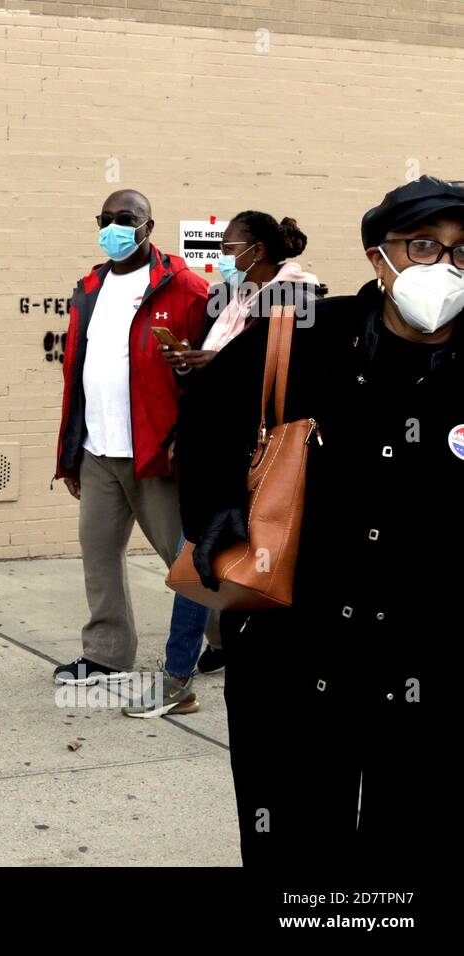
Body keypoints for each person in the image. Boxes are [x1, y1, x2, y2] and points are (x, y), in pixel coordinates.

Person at [175, 175, 461, 866]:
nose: (446, 267)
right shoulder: (301, 334)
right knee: (295, 841)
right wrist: (216, 505)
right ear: (378, 256)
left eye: (463, 251)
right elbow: (207, 419)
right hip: (294, 650)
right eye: (423, 245)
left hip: (430, 653)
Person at [52, 189, 211, 716]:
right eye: (106, 219)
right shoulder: (90, 287)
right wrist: (71, 451)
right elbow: (77, 371)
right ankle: (106, 654)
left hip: (157, 450)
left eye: (126, 218)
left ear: (148, 225)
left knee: (185, 560)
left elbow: (217, 365)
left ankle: (227, 636)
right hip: (98, 448)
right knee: (98, 551)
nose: (114, 227)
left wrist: (190, 432)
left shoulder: (185, 287)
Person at [156, 211, 324, 680]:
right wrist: (191, 363)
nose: (223, 258)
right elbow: (215, 381)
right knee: (209, 558)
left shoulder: (298, 300)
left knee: (197, 559)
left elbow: (286, 383)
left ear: (258, 251)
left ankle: (176, 678)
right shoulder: (231, 301)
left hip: (251, 455)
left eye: (229, 249)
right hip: (212, 451)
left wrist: (218, 364)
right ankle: (221, 648)